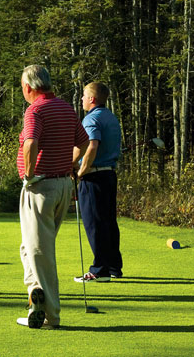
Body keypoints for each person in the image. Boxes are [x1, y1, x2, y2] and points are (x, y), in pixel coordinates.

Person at [15, 65, 89, 329]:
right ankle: (36, 295)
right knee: (30, 248)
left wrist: (29, 174)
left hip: (41, 186)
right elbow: (84, 141)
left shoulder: (35, 110)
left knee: (39, 251)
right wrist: (69, 163)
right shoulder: (65, 107)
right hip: (61, 186)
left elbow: (31, 143)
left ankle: (51, 315)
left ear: (29, 87)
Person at [74, 81, 123, 282]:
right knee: (108, 221)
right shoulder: (111, 117)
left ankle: (99, 270)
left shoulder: (91, 119)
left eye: (84, 96)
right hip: (109, 175)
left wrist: (81, 170)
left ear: (92, 99)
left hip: (94, 176)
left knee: (95, 223)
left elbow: (92, 145)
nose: (82, 99)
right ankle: (113, 266)